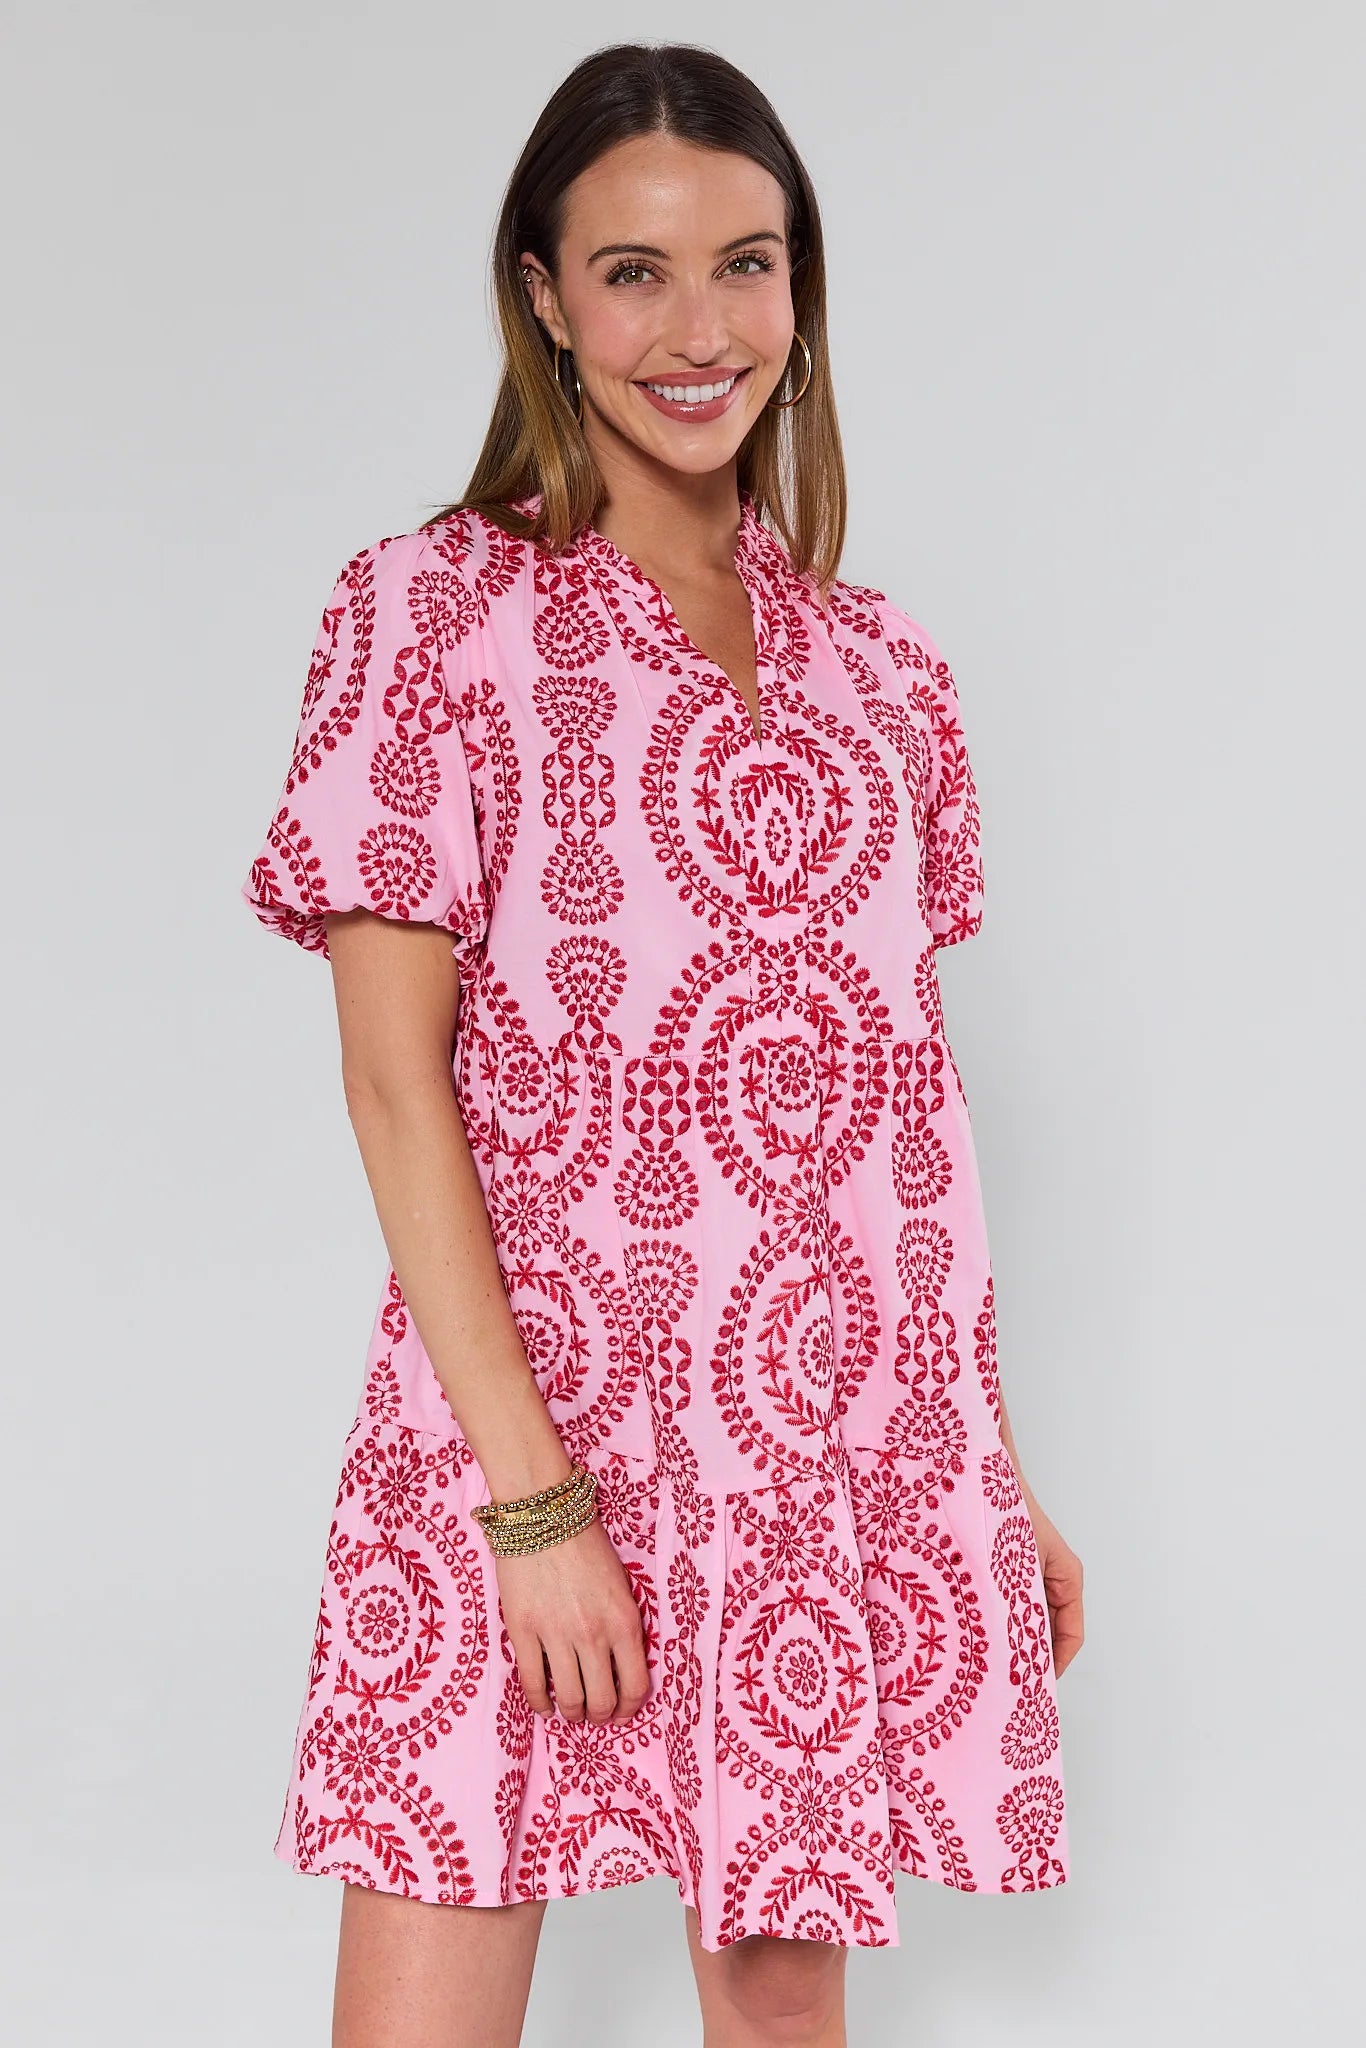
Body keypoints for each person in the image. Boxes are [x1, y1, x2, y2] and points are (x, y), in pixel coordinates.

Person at [241, 39, 1085, 2048]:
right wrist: (531, 1506)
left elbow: (888, 1116)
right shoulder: (429, 617)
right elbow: (391, 1081)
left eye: (747, 264)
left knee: (782, 2016)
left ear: (801, 293)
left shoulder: (879, 672)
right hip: (524, 1426)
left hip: (811, 1446)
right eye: (631, 272)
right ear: (540, 294)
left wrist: (980, 1468)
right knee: (429, 2005)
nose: (697, 329)